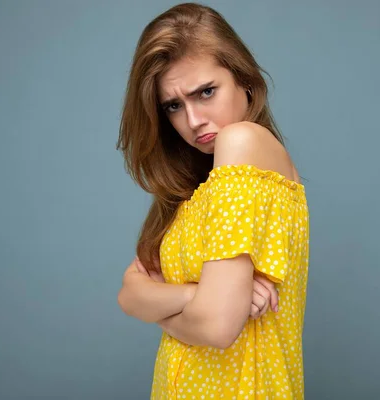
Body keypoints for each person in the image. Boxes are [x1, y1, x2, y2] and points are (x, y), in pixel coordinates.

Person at [115, 3, 310, 399]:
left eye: (206, 92)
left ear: (246, 81)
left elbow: (218, 326)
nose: (193, 120)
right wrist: (191, 296)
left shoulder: (243, 143)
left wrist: (166, 310)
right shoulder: (197, 190)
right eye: (173, 106)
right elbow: (129, 294)